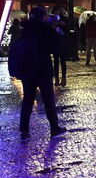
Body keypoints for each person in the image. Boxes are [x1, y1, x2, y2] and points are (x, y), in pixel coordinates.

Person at [13, 7, 66, 139]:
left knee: (28, 100)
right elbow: (55, 48)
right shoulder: (46, 29)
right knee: (48, 100)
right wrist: (56, 31)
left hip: (27, 70)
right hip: (43, 69)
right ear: (43, 16)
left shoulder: (25, 29)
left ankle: (24, 131)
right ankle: (54, 128)